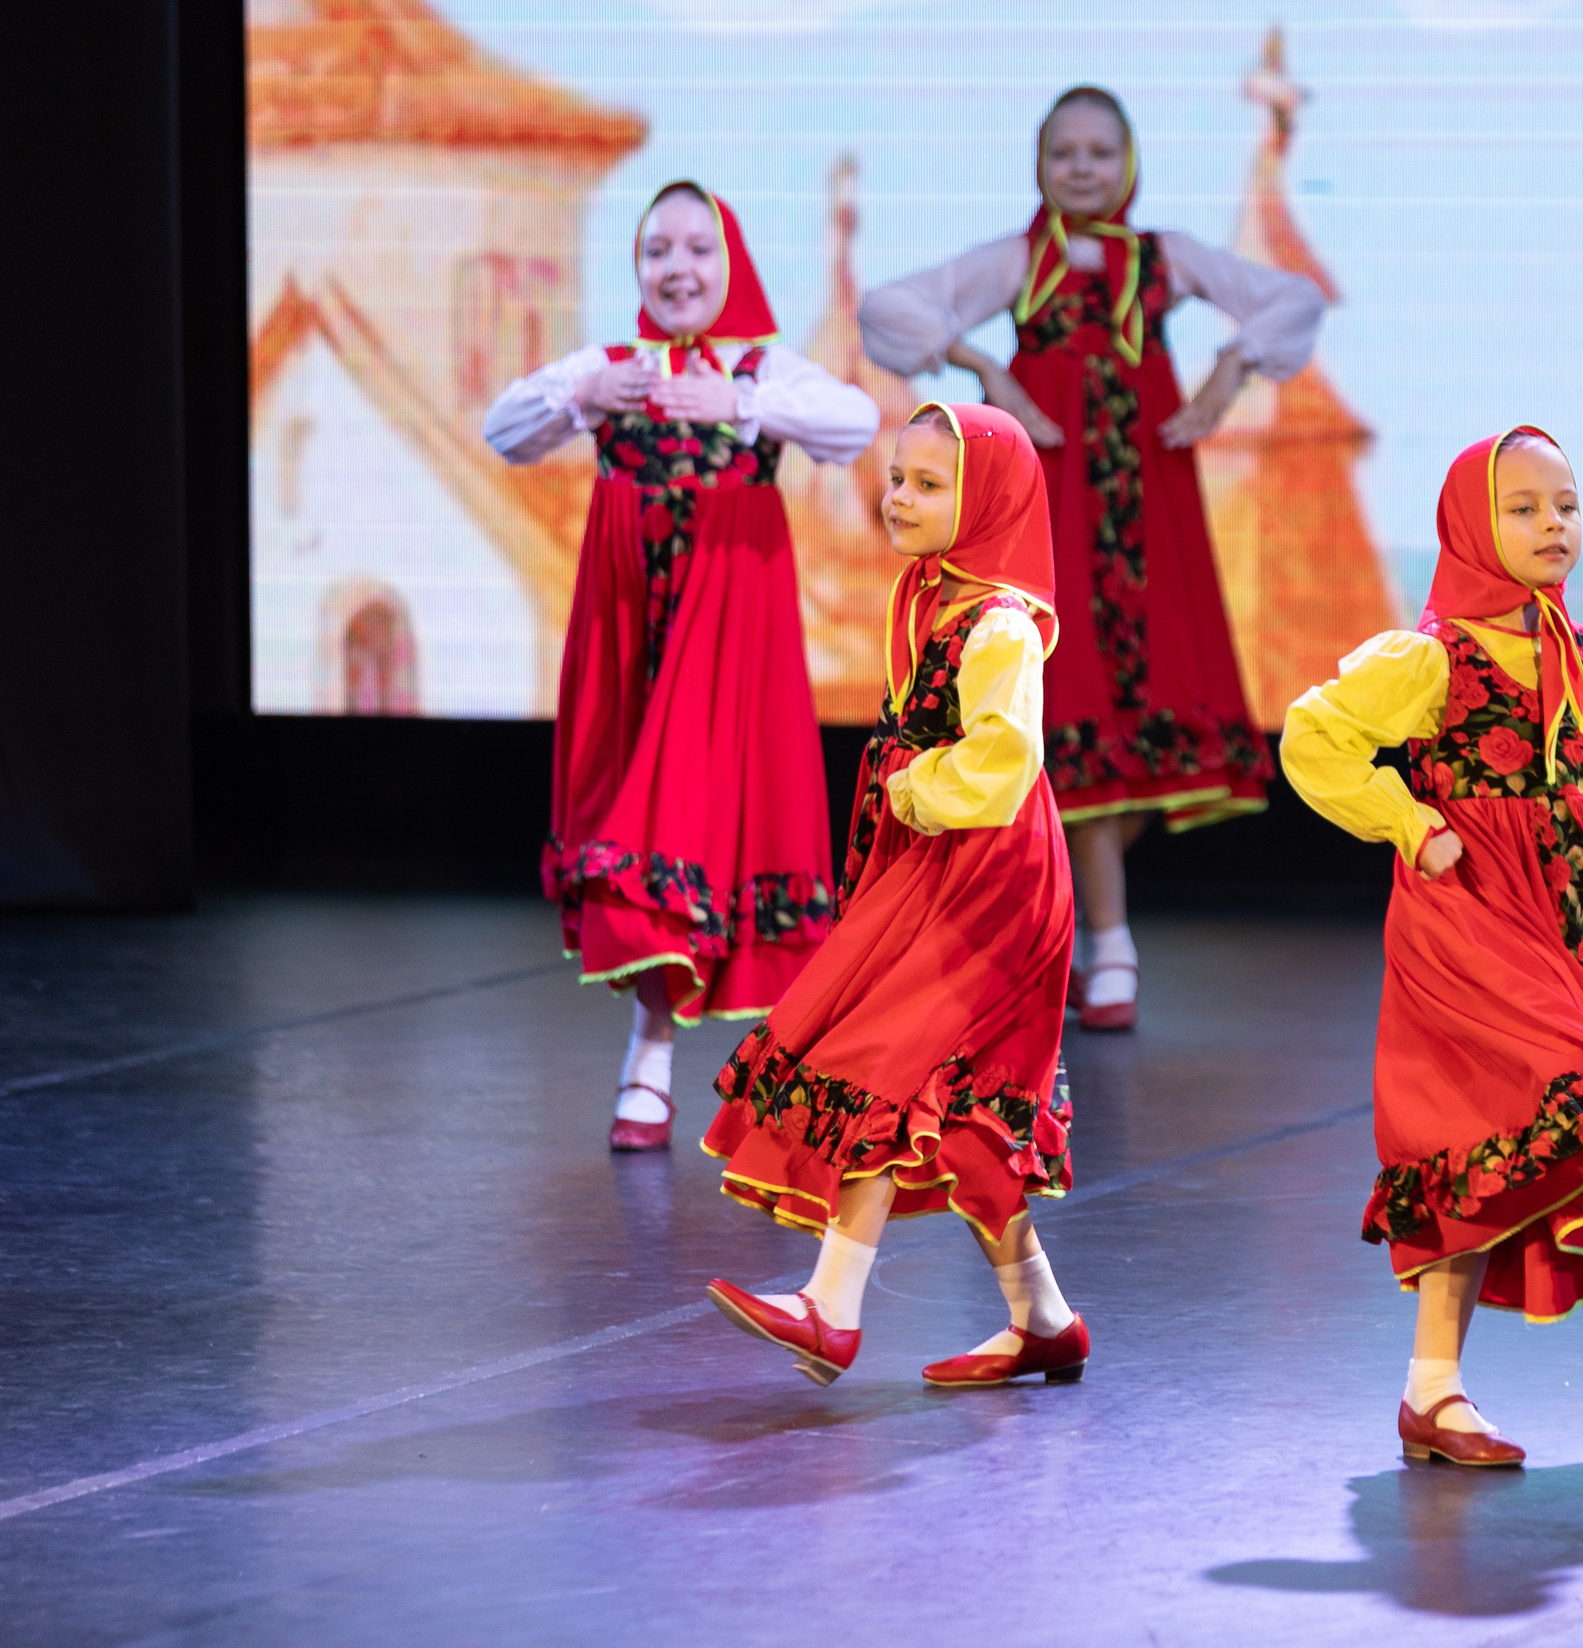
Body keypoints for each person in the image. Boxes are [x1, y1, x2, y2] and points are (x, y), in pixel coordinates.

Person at [1280, 427, 1583, 1467]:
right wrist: (1408, 821)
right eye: (1523, 507)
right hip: (1465, 910)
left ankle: (1432, 1394)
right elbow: (1313, 738)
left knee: (1486, 1142)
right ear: (1470, 524)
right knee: (1564, 1078)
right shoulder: (1429, 658)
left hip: (1573, 913)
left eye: (1566, 505)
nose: (1552, 524)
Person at [860, 84, 1326, 1031]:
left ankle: (1079, 932)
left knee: (1145, 711)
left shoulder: (1166, 260)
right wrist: (986, 368)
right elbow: (889, 309)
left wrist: (1230, 371)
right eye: (1063, 153)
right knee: (1066, 698)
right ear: (1039, 165)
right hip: (1053, 488)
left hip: (1148, 494)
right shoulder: (1017, 263)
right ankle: (1108, 943)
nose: (1082, 168)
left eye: (1100, 152)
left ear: (1130, 162)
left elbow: (1291, 298)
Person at [484, 182, 880, 1149]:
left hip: (731, 627)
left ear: (730, 261)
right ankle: (649, 1051)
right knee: (642, 829)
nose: (678, 269)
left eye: (699, 250)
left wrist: (743, 404)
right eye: (658, 250)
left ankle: (775, 1071)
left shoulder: (760, 369)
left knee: (725, 826)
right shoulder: (609, 367)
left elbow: (857, 424)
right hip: (632, 630)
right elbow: (505, 432)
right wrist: (579, 394)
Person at [700, 403, 1085, 1390]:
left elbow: (1004, 762)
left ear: (986, 501)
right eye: (897, 478)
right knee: (949, 1106)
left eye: (928, 484)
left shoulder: (995, 624)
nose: (898, 498)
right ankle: (1042, 1317)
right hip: (936, 858)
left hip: (991, 873)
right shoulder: (928, 594)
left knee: (884, 1059)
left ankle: (833, 1304)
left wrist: (910, 788)